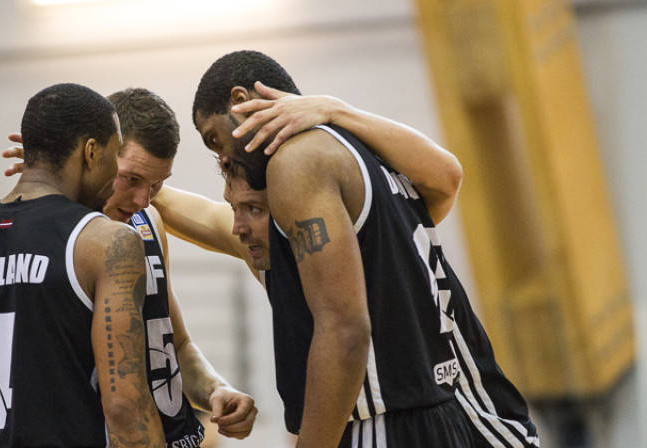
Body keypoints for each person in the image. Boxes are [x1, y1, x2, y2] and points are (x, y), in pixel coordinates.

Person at [154, 82, 539, 448]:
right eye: (235, 207)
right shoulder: (297, 236)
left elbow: (346, 332)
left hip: (449, 412)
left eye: (254, 209)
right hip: (459, 416)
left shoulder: (319, 188)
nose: (238, 225)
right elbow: (194, 211)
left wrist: (334, 109)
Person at [2, 87, 257, 446]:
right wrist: (50, 166)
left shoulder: (148, 220)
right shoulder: (55, 240)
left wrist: (217, 388)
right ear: (97, 157)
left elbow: (176, 345)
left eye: (157, 185)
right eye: (132, 179)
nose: (141, 199)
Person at [0, 83, 165, 447]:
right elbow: (126, 409)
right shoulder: (105, 242)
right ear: (91, 152)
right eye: (115, 153)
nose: (114, 174)